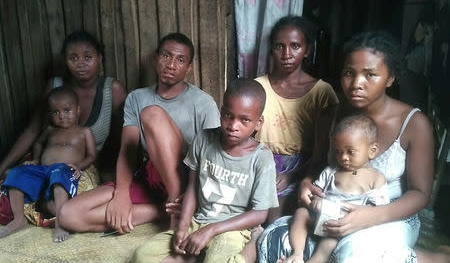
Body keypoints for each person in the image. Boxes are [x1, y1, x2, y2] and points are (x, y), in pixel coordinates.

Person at [258, 31, 450, 263]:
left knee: (353, 256)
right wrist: (307, 183)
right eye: (349, 73)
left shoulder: (414, 124)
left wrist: (370, 216)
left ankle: (434, 258)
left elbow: (420, 194)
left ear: (390, 79)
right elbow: (318, 163)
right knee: (274, 243)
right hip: (333, 209)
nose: (357, 84)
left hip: (391, 215)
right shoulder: (330, 115)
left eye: (370, 75)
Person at [58, 32, 221, 235]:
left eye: (180, 60)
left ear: (189, 68)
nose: (171, 65)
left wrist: (192, 196)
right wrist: (121, 194)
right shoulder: (137, 97)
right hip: (149, 178)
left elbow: (212, 160)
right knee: (68, 214)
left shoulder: (203, 103)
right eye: (166, 56)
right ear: (156, 58)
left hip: (186, 182)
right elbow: (128, 148)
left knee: (152, 114)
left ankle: (176, 200)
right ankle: (167, 211)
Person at [133, 79, 278, 263]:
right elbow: (193, 188)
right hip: (199, 220)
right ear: (221, 110)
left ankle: (255, 241)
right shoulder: (203, 140)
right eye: (228, 115)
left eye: (245, 120)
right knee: (142, 256)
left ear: (258, 123)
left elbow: (259, 214)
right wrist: (182, 227)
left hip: (233, 229)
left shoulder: (261, 158)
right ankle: (196, 254)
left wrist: (211, 230)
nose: (233, 125)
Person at [0, 30, 127, 226]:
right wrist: (1, 167)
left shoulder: (112, 90)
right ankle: (33, 212)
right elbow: (33, 131)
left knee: (70, 195)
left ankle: (52, 209)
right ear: (65, 60)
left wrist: (113, 176)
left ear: (99, 58)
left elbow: (123, 140)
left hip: (84, 167)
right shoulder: (55, 86)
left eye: (88, 57)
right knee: (10, 182)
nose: (81, 63)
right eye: (73, 57)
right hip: (46, 164)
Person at [255, 16, 339, 222]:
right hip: (260, 163)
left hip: (303, 168)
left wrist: (292, 175)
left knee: (273, 218)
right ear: (271, 50)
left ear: (307, 50)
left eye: (295, 46)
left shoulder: (322, 92)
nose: (286, 54)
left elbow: (322, 153)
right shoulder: (258, 87)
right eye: (279, 46)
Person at [278, 114, 389, 263]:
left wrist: (356, 214)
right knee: (301, 213)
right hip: (320, 216)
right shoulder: (331, 171)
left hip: (342, 224)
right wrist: (316, 199)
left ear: (372, 150)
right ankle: (297, 253)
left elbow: (378, 209)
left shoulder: (376, 178)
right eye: (338, 151)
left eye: (351, 152)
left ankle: (316, 260)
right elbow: (316, 190)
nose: (343, 157)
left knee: (330, 239)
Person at [0, 87, 96, 242]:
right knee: (16, 173)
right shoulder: (50, 130)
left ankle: (60, 223)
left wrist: (79, 165)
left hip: (63, 169)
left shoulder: (84, 131)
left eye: (66, 110)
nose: (61, 116)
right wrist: (37, 159)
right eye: (55, 112)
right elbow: (38, 143)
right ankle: (18, 219)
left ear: (78, 110)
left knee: (58, 175)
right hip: (42, 169)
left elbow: (92, 155)